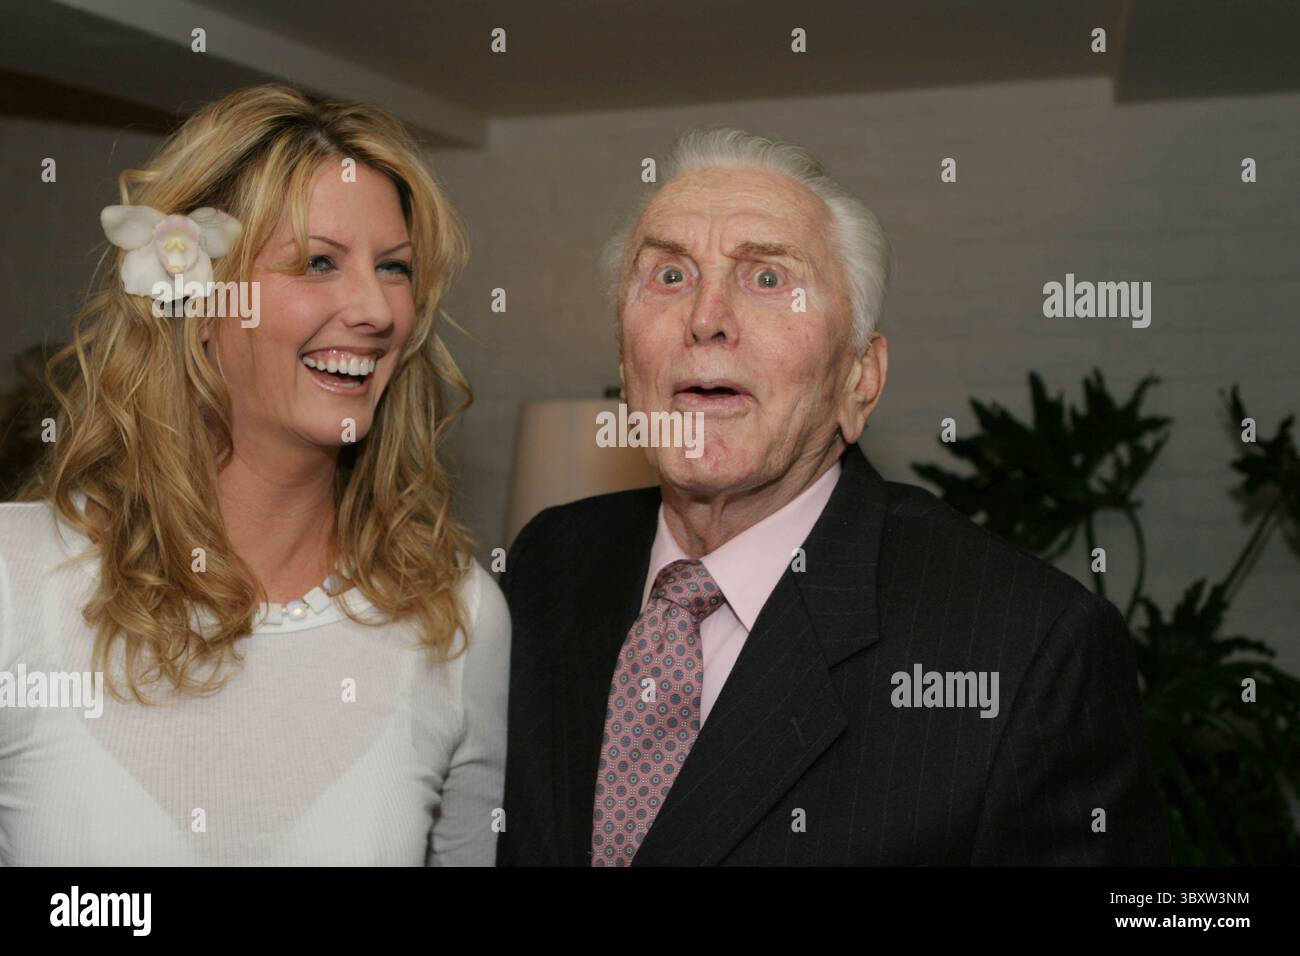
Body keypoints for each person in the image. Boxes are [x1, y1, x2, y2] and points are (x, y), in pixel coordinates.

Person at [496, 127, 1169, 866]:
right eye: (668, 276)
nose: (706, 316)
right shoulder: (544, 567)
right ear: (626, 370)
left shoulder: (1029, 649)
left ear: (860, 378)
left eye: (767, 279)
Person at [0, 85, 508, 865]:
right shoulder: (17, 579)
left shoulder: (456, 617)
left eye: (395, 268)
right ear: (196, 300)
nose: (376, 309)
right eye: (318, 262)